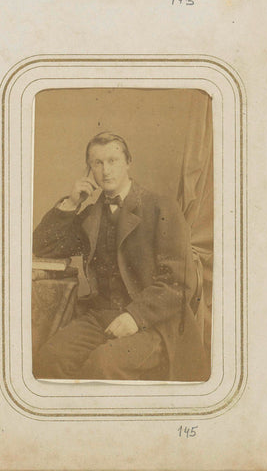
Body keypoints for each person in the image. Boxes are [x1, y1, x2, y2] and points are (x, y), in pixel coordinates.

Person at [33, 132, 209, 381]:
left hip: (156, 323)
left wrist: (136, 316)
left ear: (128, 162)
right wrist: (72, 203)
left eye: (113, 161)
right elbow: (43, 246)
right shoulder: (92, 215)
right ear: (90, 170)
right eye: (97, 163)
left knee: (103, 366)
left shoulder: (161, 207)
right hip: (101, 316)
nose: (106, 170)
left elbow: (178, 283)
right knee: (50, 359)